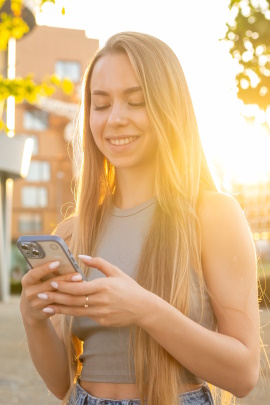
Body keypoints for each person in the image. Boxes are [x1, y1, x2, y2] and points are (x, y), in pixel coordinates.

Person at [20, 32, 260, 405]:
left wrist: (144, 309)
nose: (115, 119)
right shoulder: (73, 231)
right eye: (100, 105)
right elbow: (61, 383)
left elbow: (244, 375)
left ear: (170, 108)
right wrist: (33, 317)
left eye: (136, 101)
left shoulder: (213, 215)